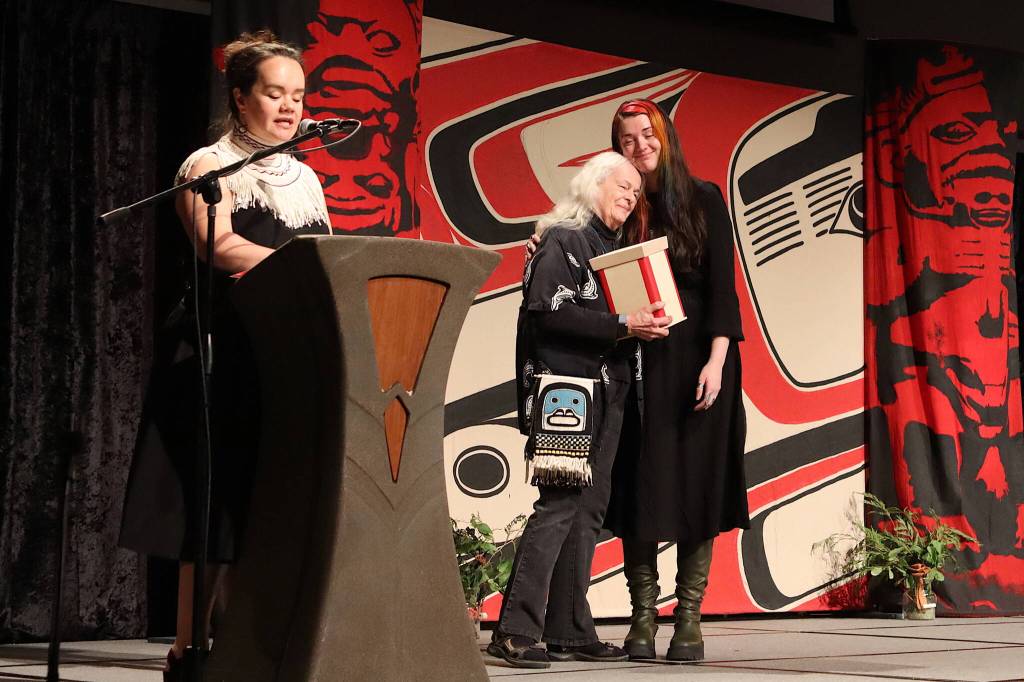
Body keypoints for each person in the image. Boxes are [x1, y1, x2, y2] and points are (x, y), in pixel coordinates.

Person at [118, 30, 330, 681]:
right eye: (275, 93)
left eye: (297, 95)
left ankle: (248, 647)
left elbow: (326, 253)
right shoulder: (206, 165)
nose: (290, 106)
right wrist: (300, 274)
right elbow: (221, 246)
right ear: (241, 98)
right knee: (211, 511)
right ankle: (189, 652)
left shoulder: (305, 175)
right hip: (217, 353)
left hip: (282, 357)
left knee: (266, 508)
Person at [488, 151, 671, 669]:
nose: (631, 195)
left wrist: (639, 326)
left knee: (588, 510)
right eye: (624, 184)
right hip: (565, 393)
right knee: (559, 505)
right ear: (593, 183)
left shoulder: (612, 248)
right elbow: (548, 311)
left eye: (637, 191)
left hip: (606, 390)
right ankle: (516, 628)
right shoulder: (564, 237)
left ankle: (568, 627)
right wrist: (622, 323)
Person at [603, 99, 749, 661]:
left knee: (697, 484)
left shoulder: (704, 197)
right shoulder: (617, 208)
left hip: (699, 362)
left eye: (647, 136)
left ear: (666, 138)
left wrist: (717, 362)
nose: (639, 148)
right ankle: (642, 618)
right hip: (638, 361)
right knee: (639, 485)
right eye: (627, 141)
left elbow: (722, 292)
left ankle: (688, 619)